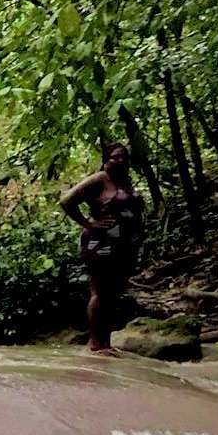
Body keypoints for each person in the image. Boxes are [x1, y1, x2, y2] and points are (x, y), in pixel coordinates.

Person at [61, 143, 145, 354]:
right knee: (100, 292)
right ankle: (96, 344)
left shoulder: (125, 182)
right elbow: (66, 201)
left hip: (123, 246)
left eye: (124, 157)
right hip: (99, 244)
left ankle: (106, 343)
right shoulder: (99, 179)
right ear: (106, 160)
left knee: (113, 295)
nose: (121, 161)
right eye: (115, 157)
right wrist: (88, 223)